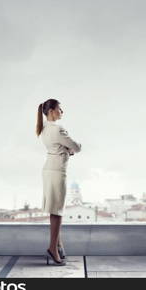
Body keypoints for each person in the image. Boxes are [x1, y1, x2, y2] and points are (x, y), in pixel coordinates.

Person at [36, 98, 82, 266]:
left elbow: (57, 148)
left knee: (53, 209)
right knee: (58, 211)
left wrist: (66, 150)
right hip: (57, 171)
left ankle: (58, 245)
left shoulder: (44, 129)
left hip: (48, 169)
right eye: (60, 109)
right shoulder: (58, 129)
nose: (62, 112)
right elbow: (76, 147)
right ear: (51, 111)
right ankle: (52, 248)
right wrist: (71, 149)